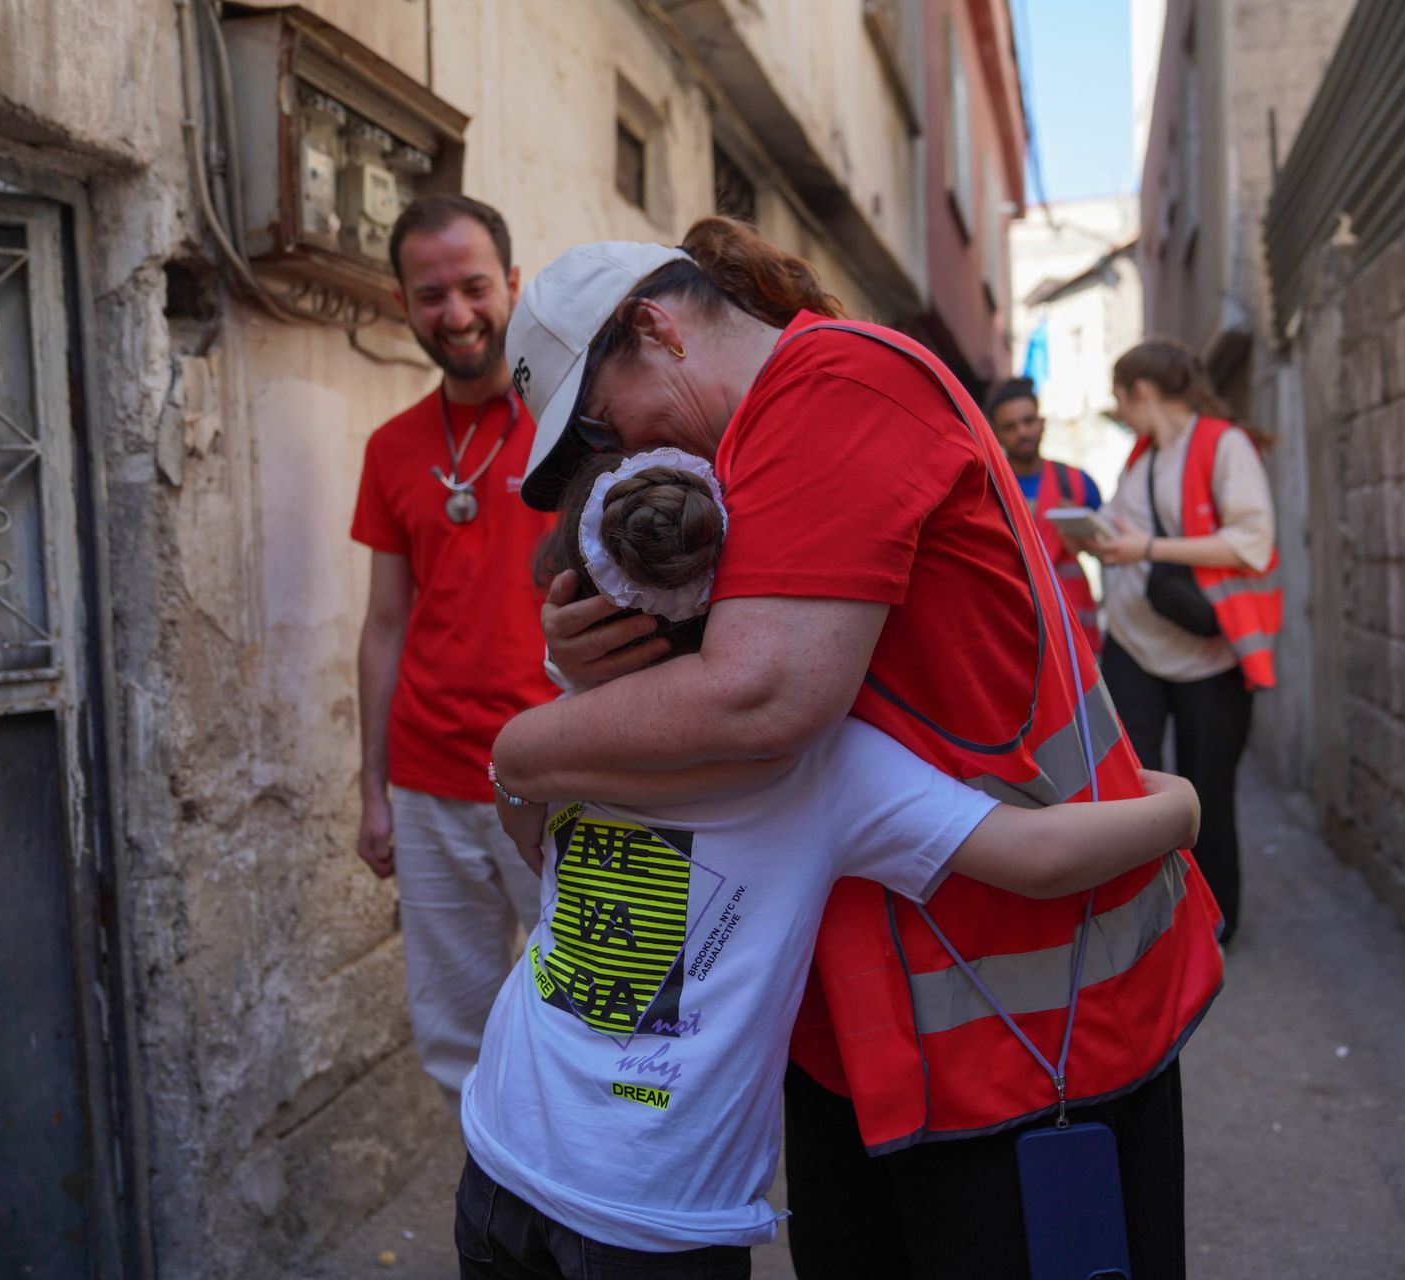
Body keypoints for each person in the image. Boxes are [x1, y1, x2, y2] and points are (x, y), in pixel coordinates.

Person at [489, 219, 1225, 1278]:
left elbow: (763, 695)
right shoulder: (748, 445)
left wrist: (522, 747)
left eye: (602, 428)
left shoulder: (832, 385)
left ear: (656, 328)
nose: (620, 461)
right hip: (887, 1034)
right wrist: (591, 663)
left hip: (1035, 1031)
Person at [349, 194, 554, 1103]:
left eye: (474, 287)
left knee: (596, 1021)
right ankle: (489, 1190)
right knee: (455, 1043)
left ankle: (583, 1190)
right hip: (430, 785)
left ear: (511, 284)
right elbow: (384, 625)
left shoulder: (574, 424)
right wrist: (373, 790)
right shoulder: (392, 449)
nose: (457, 314)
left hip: (564, 775)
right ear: (403, 303)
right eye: (431, 295)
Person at [1076, 338, 1281, 948]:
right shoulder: (1143, 456)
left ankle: (1215, 926)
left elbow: (1251, 543)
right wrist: (1097, 538)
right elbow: (1128, 528)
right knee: (1130, 788)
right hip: (1135, 646)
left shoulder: (1224, 445)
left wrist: (1146, 548)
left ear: (1141, 392)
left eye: (1120, 399)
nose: (1121, 412)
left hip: (1208, 655)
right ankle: (1151, 924)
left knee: (1206, 793)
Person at [985, 375, 1104, 652]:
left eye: (1028, 421)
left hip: (1074, 632)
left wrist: (1084, 534)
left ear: (1042, 422)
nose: (1022, 432)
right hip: (1016, 628)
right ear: (996, 433)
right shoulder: (988, 488)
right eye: (1010, 426)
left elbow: (1112, 552)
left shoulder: (1076, 482)